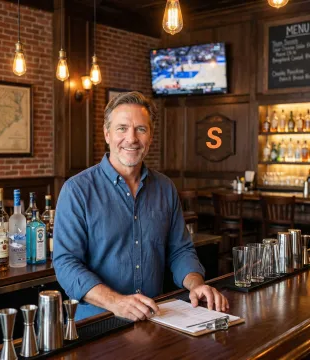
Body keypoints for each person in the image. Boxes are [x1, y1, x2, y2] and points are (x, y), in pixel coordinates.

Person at [53, 91, 229, 321]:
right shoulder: (76, 190)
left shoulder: (165, 188)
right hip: (96, 322)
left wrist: (196, 284)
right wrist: (117, 302)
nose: (132, 138)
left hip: (155, 317)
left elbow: (180, 250)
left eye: (141, 129)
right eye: (122, 128)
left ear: (151, 136)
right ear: (107, 134)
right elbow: (66, 264)